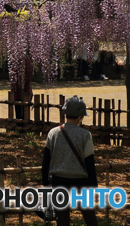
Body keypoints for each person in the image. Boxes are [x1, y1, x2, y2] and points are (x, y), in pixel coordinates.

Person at [41, 96, 97, 226]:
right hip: (80, 182)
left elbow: (46, 162)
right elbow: (90, 164)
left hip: (58, 181)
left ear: (65, 114)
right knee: (90, 219)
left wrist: (45, 184)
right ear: (80, 117)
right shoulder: (85, 135)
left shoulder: (53, 133)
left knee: (62, 221)